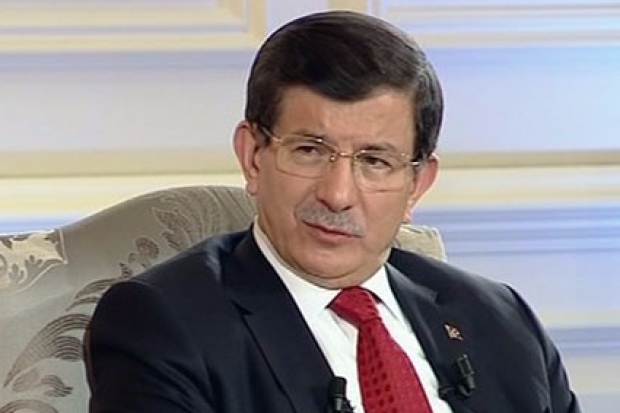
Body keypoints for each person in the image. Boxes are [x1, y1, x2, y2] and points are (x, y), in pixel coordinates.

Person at [85, 10, 581, 413]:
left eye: (375, 161)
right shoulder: (164, 323)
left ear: (416, 184)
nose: (338, 194)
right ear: (253, 157)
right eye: (309, 151)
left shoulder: (499, 320)